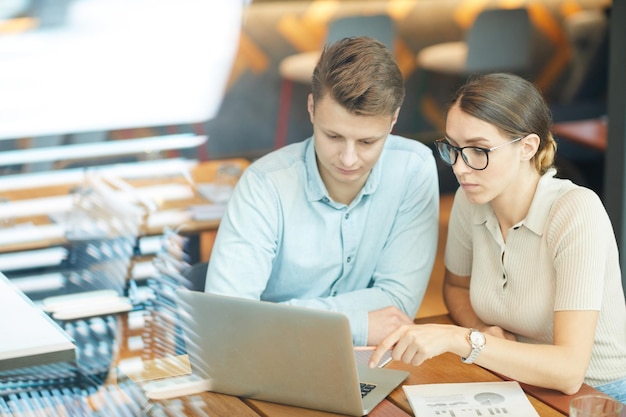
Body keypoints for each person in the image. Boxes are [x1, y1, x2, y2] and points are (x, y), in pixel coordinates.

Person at [369, 72, 626, 402]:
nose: (460, 168)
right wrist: (481, 330)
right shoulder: (470, 199)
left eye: (478, 150)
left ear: (527, 147)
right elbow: (456, 286)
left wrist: (464, 340)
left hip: (594, 396)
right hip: (513, 380)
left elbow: (569, 371)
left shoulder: (575, 211)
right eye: (453, 148)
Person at [204, 36, 440, 346]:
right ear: (312, 108)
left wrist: (271, 316)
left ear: (394, 120)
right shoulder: (265, 184)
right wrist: (357, 322)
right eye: (333, 136)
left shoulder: (413, 168)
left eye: (368, 142)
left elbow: (396, 305)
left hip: (366, 357)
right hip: (273, 354)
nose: (349, 159)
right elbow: (228, 318)